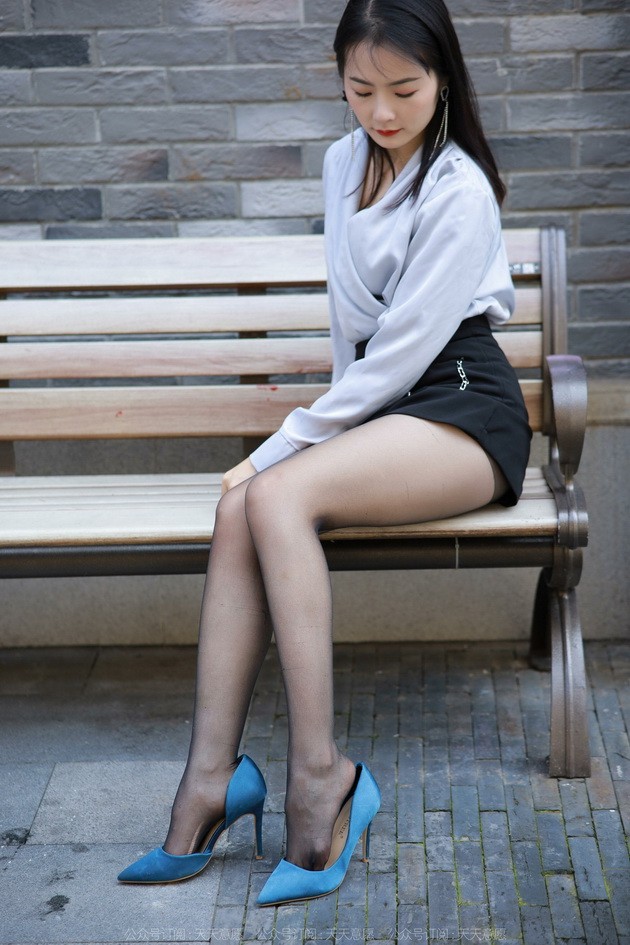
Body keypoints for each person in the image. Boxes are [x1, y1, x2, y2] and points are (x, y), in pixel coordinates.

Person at [117, 0, 531, 906]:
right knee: (242, 504)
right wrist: (306, 446)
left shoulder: (458, 187)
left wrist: (284, 446)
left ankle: (322, 781)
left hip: (464, 405)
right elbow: (354, 335)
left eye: (405, 90)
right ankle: (209, 781)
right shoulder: (344, 163)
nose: (381, 111)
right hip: (386, 402)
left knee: (269, 490)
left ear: (444, 80)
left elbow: (404, 351)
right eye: (360, 88)